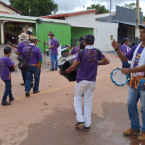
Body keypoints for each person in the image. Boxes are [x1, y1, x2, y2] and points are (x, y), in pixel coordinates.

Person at [60, 34, 109, 130]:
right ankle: (87, 124)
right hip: (92, 82)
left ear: (85, 42)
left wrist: (64, 72)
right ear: (93, 42)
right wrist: (97, 63)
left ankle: (80, 119)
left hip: (82, 80)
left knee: (77, 98)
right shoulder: (97, 51)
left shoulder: (82, 52)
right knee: (88, 102)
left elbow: (74, 66)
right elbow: (107, 61)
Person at [112, 24, 145, 141]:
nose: (140, 33)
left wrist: (130, 70)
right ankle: (135, 127)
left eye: (143, 32)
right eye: (140, 31)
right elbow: (124, 58)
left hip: (144, 81)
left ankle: (144, 131)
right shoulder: (136, 47)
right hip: (134, 81)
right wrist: (116, 49)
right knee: (130, 104)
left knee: (144, 108)